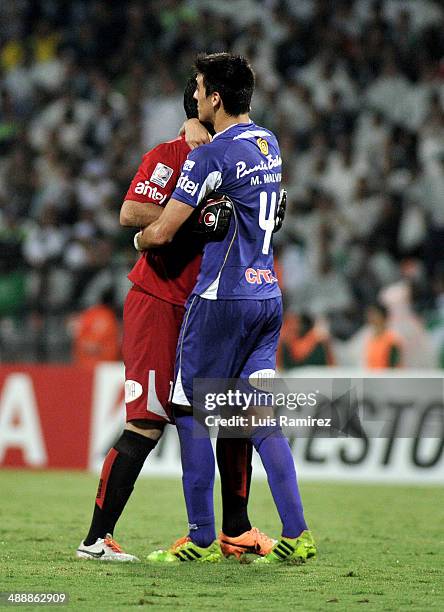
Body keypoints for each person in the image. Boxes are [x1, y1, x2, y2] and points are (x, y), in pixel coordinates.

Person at [76, 77, 274, 562]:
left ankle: (235, 530)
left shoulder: (238, 154)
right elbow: (129, 213)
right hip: (160, 301)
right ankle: (96, 539)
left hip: (210, 305)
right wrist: (185, 215)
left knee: (230, 414)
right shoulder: (169, 154)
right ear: (206, 106)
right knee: (147, 421)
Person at [136, 53, 316, 564]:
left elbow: (165, 230)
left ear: (215, 97)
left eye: (197, 89)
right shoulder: (268, 142)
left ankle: (199, 539)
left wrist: (138, 237)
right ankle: (298, 533)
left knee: (189, 411)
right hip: (266, 296)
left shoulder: (207, 158)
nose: (193, 96)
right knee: (260, 418)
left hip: (221, 298)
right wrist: (198, 129)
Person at [72, 287, 120, 368]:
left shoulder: (88, 314)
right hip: (106, 365)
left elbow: (78, 336)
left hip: (85, 364)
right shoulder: (111, 317)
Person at [365, 302, 403, 368]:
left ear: (383, 316)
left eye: (374, 314)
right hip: (372, 376)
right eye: (369, 314)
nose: (371, 318)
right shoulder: (370, 339)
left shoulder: (392, 340)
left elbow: (394, 366)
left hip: (386, 377)